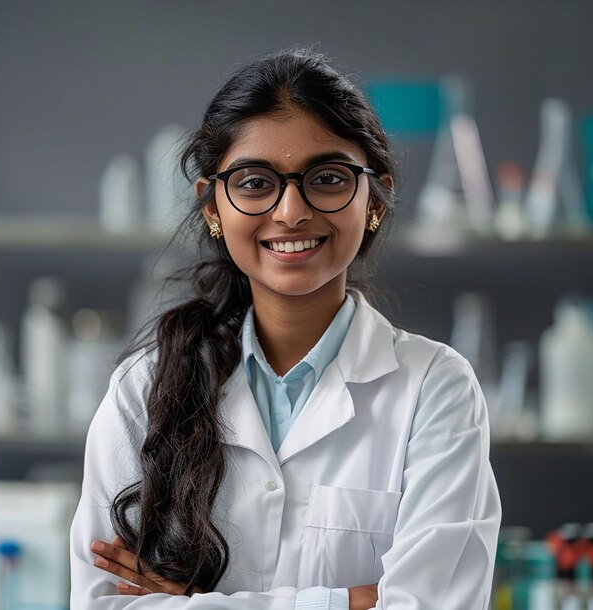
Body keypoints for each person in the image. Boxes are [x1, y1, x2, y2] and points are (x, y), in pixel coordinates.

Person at [70, 48, 501, 609]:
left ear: (373, 198)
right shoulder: (141, 390)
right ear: (212, 208)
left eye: (327, 178)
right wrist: (353, 600)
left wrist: (191, 602)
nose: (291, 210)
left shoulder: (435, 389)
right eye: (255, 182)